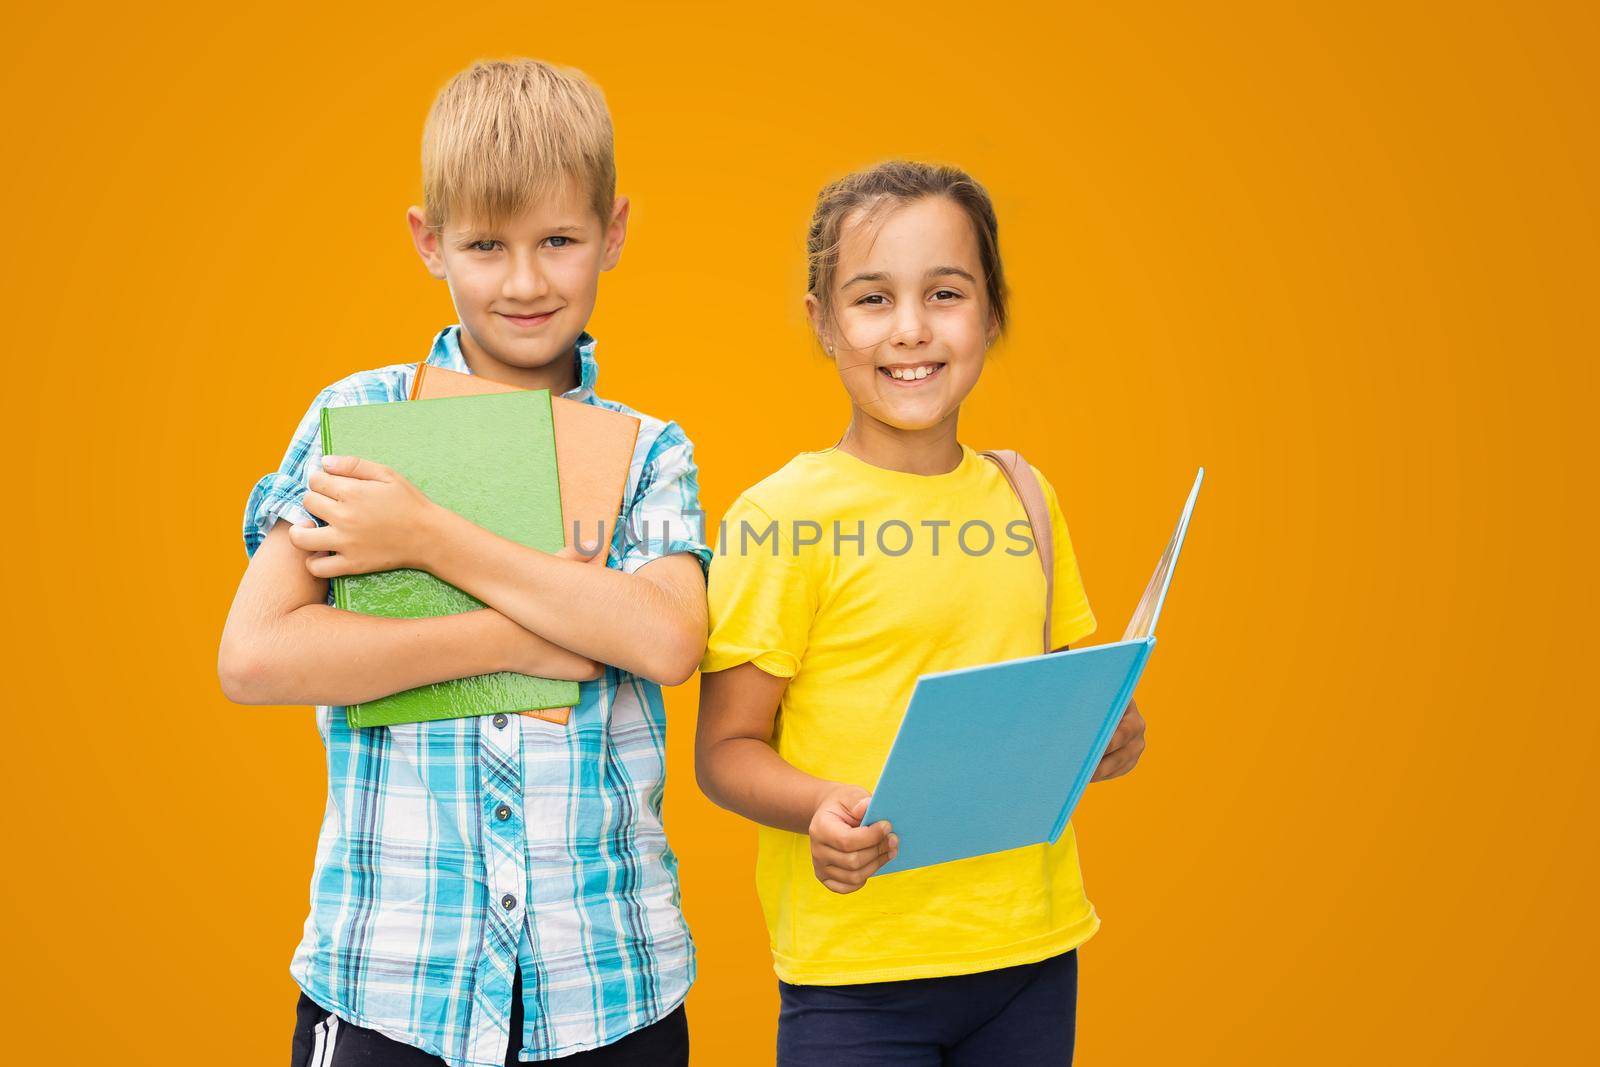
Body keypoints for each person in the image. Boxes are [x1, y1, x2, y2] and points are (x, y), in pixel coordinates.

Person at [219, 59, 706, 1066]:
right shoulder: (361, 421)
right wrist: (540, 630)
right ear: (429, 239)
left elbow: (662, 638)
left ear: (612, 232)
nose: (524, 281)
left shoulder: (652, 450)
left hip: (607, 984)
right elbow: (257, 657)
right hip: (393, 980)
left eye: (559, 241)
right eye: (486, 245)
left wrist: (428, 537)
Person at [696, 160, 1148, 1065]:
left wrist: (1111, 731)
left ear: (990, 313)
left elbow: (1061, 695)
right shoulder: (781, 517)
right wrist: (824, 805)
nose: (911, 330)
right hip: (858, 974)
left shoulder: (1026, 495)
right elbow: (724, 752)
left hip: (1029, 947)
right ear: (824, 322)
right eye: (872, 299)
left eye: (945, 293)